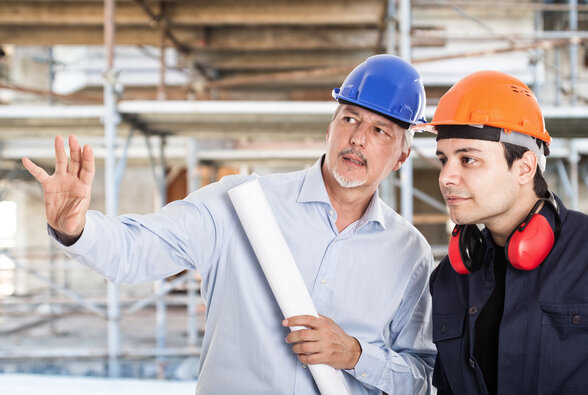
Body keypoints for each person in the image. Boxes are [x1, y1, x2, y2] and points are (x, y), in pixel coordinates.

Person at [22, 54, 436, 394]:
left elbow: (421, 376)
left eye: (380, 130)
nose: (358, 138)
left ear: (401, 157)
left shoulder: (408, 252)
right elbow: (138, 250)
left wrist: (354, 355)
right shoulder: (241, 203)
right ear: (330, 127)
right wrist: (74, 228)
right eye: (349, 118)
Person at [417, 70, 588, 394]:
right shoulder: (449, 278)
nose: (446, 177)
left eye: (468, 159)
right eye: (444, 159)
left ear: (525, 167)